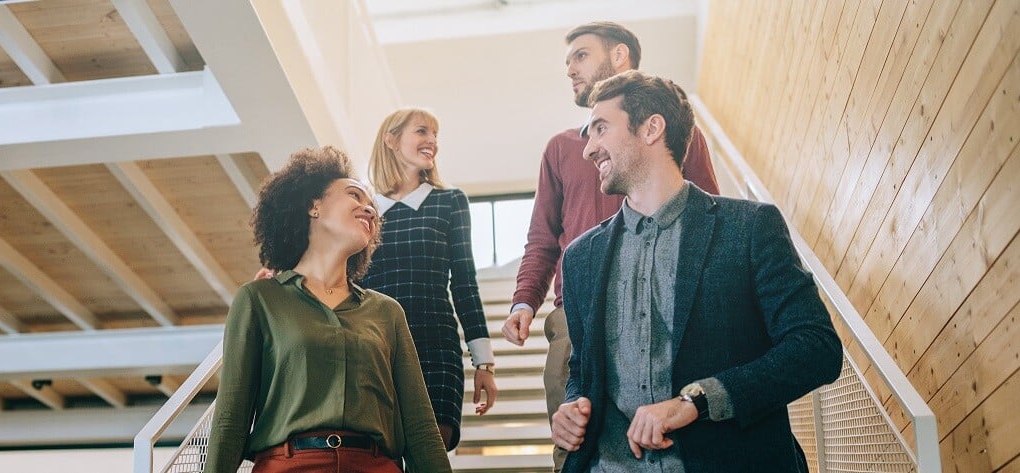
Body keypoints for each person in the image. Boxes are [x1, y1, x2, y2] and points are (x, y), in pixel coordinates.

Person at [550, 70, 840, 472]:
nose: (588, 149)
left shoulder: (750, 228)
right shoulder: (581, 258)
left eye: (601, 128)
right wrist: (572, 405)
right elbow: (583, 368)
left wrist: (698, 401)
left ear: (652, 128)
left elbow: (816, 349)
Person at [498, 21, 721, 470]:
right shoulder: (563, 149)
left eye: (580, 55)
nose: (570, 69)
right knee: (575, 444)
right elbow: (543, 236)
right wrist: (525, 300)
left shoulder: (676, 135)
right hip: (575, 313)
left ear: (620, 56)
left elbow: (709, 216)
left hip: (670, 301)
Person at [208, 147, 452, 473]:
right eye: (354, 195)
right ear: (314, 205)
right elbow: (230, 421)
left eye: (372, 207)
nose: (368, 208)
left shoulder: (387, 312)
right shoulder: (259, 300)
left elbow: (421, 430)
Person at [363, 107, 497, 450]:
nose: (432, 141)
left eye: (435, 135)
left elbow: (465, 283)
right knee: (380, 456)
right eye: (422, 131)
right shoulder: (365, 209)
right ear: (391, 140)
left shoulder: (449, 201)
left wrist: (485, 362)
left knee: (433, 447)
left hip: (437, 346)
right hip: (376, 346)